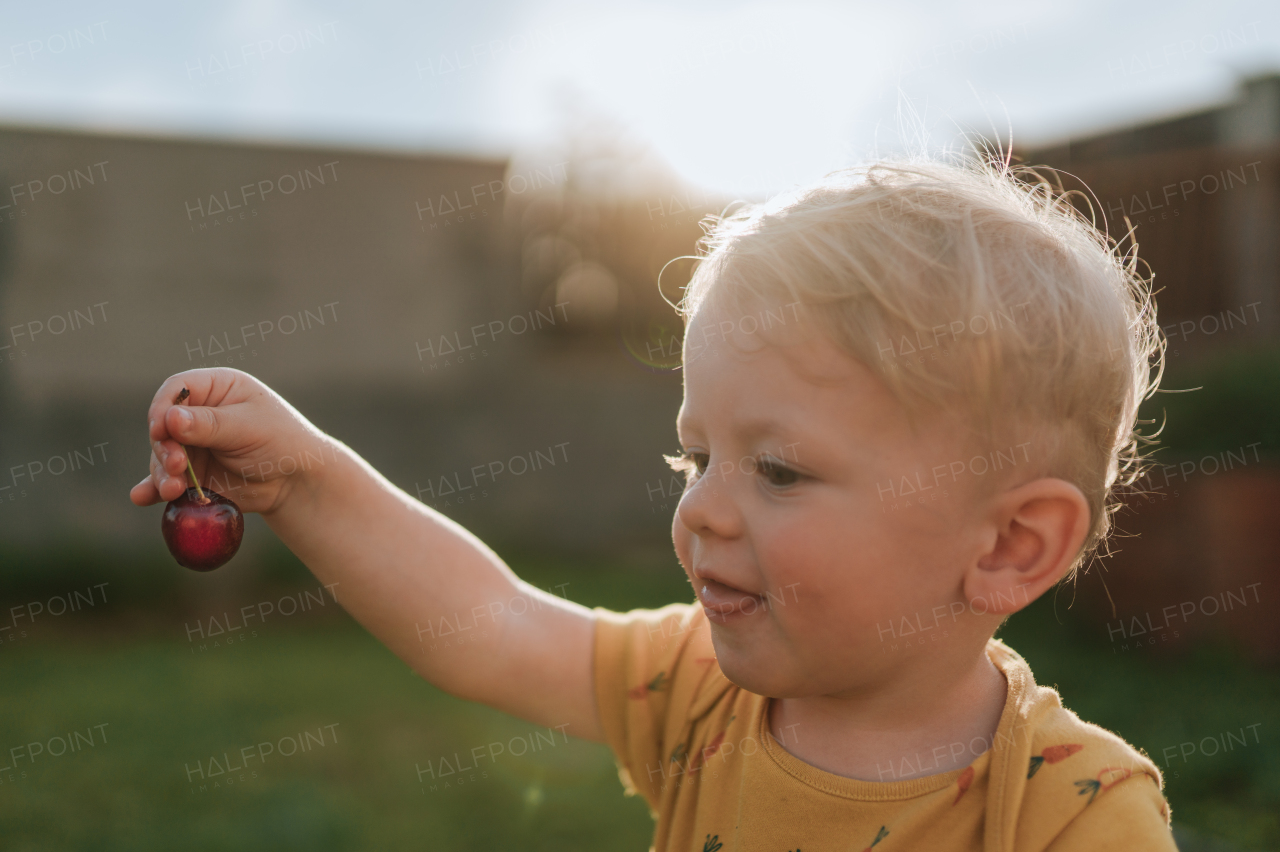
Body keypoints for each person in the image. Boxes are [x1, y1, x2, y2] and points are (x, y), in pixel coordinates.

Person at [131, 152, 1176, 851]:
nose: (704, 511)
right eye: (694, 459)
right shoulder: (697, 690)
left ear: (1007, 542)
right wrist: (309, 475)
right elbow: (490, 626)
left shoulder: (1068, 810)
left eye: (776, 470)